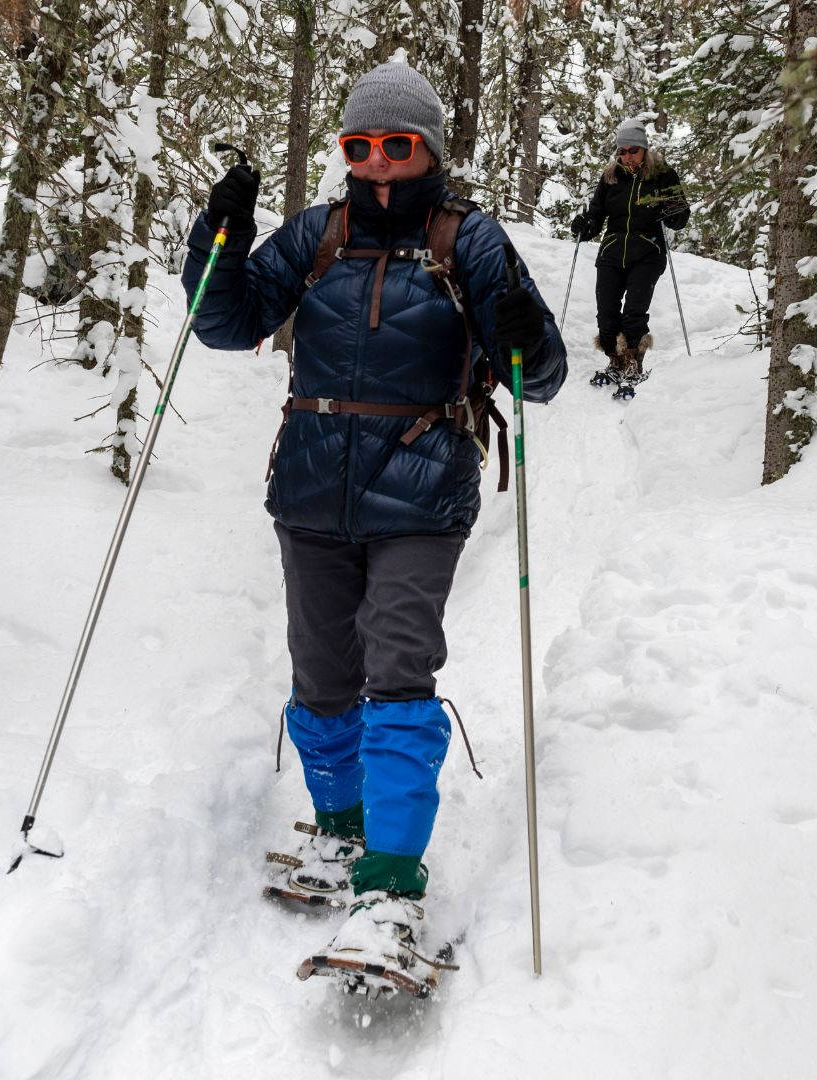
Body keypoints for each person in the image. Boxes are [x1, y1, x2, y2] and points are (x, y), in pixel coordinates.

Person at [181, 60, 566, 989]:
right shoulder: (317, 234)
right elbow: (224, 324)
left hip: (424, 490)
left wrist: (517, 325)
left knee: (397, 670)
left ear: (428, 148)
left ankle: (390, 886)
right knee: (321, 677)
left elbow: (540, 375)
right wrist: (221, 232)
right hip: (311, 488)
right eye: (361, 147)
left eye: (397, 146)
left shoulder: (468, 238)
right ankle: (341, 833)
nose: (380, 164)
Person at [570, 117, 691, 394]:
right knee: (606, 312)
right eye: (621, 151)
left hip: (648, 251)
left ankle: (633, 363)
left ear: (644, 149)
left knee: (634, 311)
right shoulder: (611, 177)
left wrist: (671, 211)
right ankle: (616, 361)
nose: (626, 156)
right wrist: (584, 226)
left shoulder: (662, 175)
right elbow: (596, 216)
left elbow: (680, 217)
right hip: (612, 250)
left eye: (632, 150)